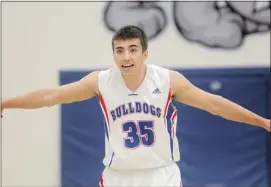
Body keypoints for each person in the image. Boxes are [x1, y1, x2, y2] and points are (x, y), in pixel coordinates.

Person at [1, 25, 270, 187]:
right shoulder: (101, 81)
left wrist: (263, 121)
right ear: (114, 54)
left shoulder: (167, 80)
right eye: (119, 50)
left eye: (132, 49)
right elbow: (52, 96)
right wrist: (6, 103)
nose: (126, 56)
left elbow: (214, 104)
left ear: (144, 53)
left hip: (160, 174)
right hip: (119, 176)